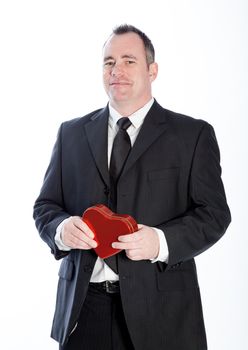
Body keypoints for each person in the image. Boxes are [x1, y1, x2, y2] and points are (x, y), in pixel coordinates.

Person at [33, 24, 231, 350]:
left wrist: (160, 242)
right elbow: (45, 206)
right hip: (83, 313)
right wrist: (61, 229)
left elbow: (214, 215)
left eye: (129, 60)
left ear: (152, 70)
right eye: (109, 62)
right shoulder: (70, 134)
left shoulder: (192, 136)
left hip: (162, 316)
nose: (117, 71)